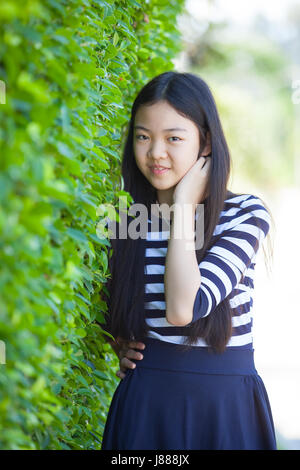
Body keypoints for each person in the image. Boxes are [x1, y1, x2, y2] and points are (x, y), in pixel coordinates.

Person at [99, 71, 277, 450]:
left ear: (206, 142)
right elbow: (101, 306)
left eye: (173, 138)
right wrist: (117, 339)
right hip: (147, 407)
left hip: (225, 409)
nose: (155, 153)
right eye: (142, 136)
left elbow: (185, 308)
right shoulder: (124, 222)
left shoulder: (245, 214)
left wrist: (182, 208)